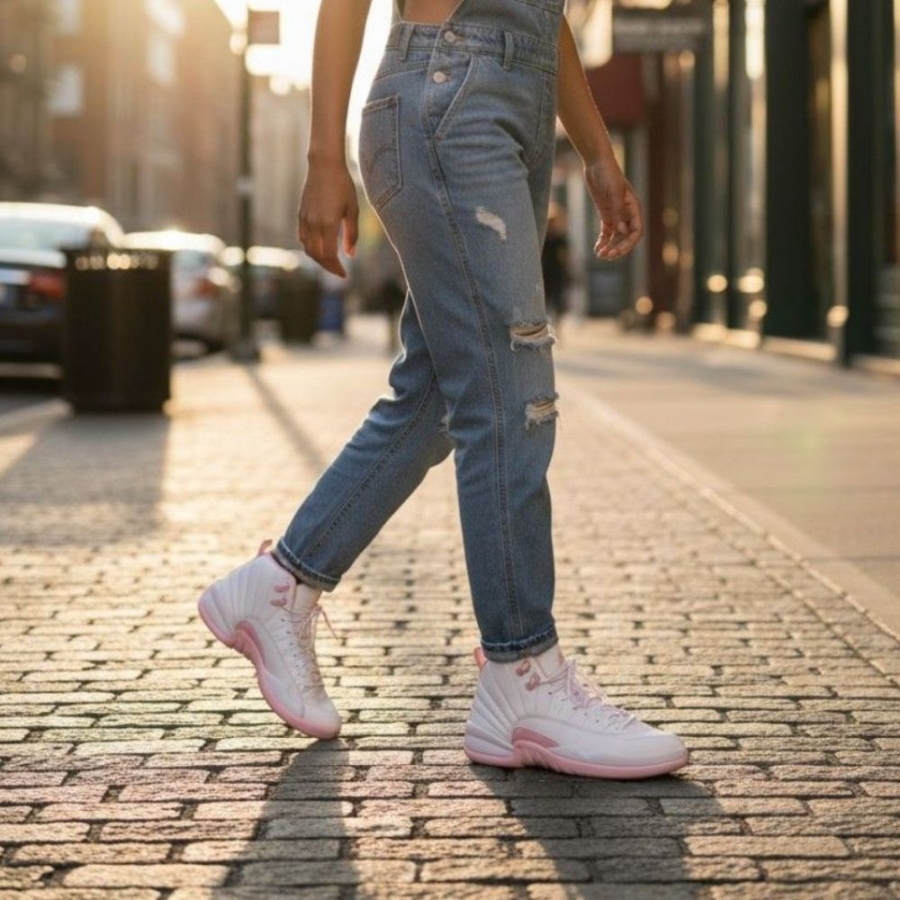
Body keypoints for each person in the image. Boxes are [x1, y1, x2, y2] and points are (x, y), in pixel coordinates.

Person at [198, 0, 688, 779]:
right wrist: (323, 156)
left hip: (512, 100)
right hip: (449, 94)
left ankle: (281, 583)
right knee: (509, 397)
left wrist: (597, 151)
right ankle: (523, 671)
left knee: (435, 399)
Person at [541, 202, 571, 339]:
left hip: (557, 275)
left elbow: (565, 257)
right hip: (544, 275)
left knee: (558, 304)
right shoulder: (544, 238)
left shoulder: (561, 239)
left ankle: (558, 330)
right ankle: (545, 329)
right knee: (544, 304)